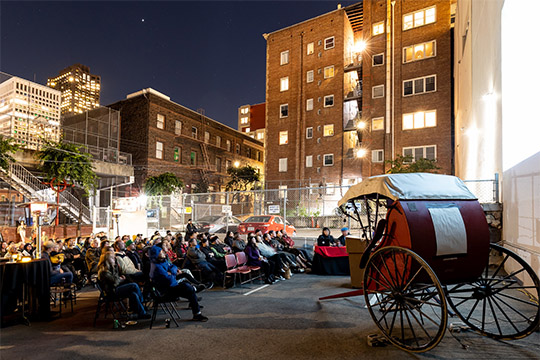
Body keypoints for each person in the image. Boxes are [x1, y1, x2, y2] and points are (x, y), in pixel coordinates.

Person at [148, 245, 208, 322]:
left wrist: (171, 272)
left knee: (188, 288)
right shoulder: (156, 267)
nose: (163, 252)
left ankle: (197, 312)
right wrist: (173, 272)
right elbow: (169, 279)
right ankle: (195, 291)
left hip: (171, 286)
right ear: (156, 254)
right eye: (160, 251)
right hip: (165, 291)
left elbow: (173, 266)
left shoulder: (163, 261)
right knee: (187, 287)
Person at [97, 250, 150, 320]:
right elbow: (115, 282)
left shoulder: (112, 267)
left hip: (116, 287)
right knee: (134, 285)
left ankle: (141, 312)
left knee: (133, 294)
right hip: (112, 291)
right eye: (112, 258)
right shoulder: (104, 272)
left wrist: (119, 277)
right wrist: (120, 279)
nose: (115, 259)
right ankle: (142, 302)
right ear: (107, 260)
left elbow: (116, 279)